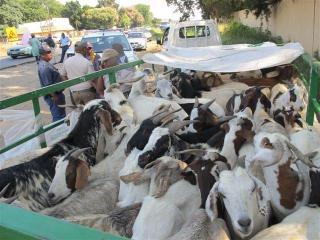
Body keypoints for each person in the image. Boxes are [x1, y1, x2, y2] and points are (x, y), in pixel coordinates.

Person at [38, 43, 66, 122]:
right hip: (54, 96)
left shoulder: (46, 63)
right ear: (42, 54)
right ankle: (58, 133)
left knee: (60, 115)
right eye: (48, 52)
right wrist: (54, 97)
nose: (51, 54)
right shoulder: (44, 67)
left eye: (50, 52)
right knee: (58, 117)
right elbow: (48, 85)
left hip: (57, 94)